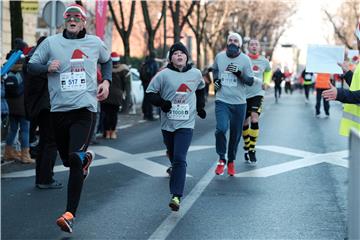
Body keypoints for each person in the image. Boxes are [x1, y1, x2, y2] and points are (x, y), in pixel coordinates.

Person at [28, 4, 112, 233]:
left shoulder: (94, 43)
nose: (73, 19)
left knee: (74, 158)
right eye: (69, 17)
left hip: (85, 108)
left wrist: (106, 82)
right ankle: (83, 162)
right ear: (65, 21)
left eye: (78, 17)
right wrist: (46, 67)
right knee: (67, 160)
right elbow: (30, 66)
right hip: (59, 110)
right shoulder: (51, 43)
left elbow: (107, 61)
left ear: (84, 22)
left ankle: (69, 215)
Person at [146, 42, 206, 211]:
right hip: (168, 123)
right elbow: (150, 93)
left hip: (187, 123)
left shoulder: (195, 73)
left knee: (180, 158)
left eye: (182, 53)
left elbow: (201, 88)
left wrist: (200, 106)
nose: (179, 55)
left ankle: (176, 196)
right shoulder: (163, 75)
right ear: (170, 58)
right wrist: (162, 103)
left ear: (187, 57)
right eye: (175, 53)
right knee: (173, 155)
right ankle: (174, 168)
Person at [212, 32, 254, 176]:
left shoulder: (245, 60)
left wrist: (239, 73)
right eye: (230, 39)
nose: (232, 42)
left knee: (236, 135)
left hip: (239, 103)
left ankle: (231, 161)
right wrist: (216, 80)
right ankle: (221, 159)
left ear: (240, 44)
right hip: (222, 101)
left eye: (235, 40)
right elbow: (215, 70)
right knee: (221, 129)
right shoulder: (219, 57)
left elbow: (250, 81)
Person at [23, 36, 63, 189]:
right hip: (47, 107)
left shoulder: (31, 61)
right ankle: (46, 179)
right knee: (51, 143)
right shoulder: (41, 64)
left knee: (44, 144)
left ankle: (41, 178)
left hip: (37, 107)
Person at [322, 21, 360, 136]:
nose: (357, 42)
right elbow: (357, 84)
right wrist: (347, 73)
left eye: (358, 39)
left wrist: (339, 94)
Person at [242, 39, 271, 164]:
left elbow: (268, 71)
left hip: (258, 93)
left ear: (259, 47)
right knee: (245, 122)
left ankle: (252, 149)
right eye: (251, 44)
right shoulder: (243, 59)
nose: (254, 46)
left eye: (256, 44)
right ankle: (247, 146)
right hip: (243, 94)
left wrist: (266, 82)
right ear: (248, 47)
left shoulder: (264, 61)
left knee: (254, 118)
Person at [3, 50, 35, 164]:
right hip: (22, 107)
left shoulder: (7, 73)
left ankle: (8, 152)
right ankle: (25, 156)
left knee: (12, 129)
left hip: (10, 107)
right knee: (25, 130)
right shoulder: (24, 72)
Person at [100, 52, 125, 139]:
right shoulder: (123, 70)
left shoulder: (105, 70)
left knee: (106, 115)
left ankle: (107, 133)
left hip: (105, 94)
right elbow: (124, 85)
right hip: (117, 96)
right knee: (114, 115)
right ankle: (113, 133)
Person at [140, 51, 159, 120]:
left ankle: (145, 114)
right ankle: (150, 115)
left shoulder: (145, 62)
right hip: (150, 83)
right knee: (150, 99)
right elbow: (155, 74)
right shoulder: (153, 63)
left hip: (144, 83)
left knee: (145, 98)